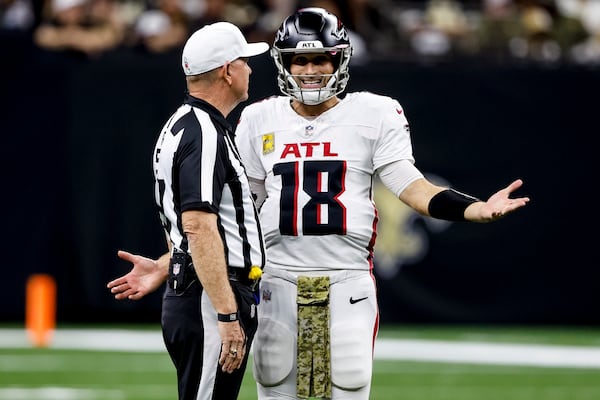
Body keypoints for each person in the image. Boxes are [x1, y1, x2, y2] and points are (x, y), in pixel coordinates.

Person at [109, 7, 530, 400]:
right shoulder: (258, 118)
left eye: (321, 60)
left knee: (348, 383)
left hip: (346, 279)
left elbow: (410, 185)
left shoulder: (375, 112)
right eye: (299, 61)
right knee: (275, 385)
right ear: (283, 64)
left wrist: (475, 208)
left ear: (339, 60)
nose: (309, 71)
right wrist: (168, 263)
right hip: (276, 279)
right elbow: (233, 215)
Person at [108, 21, 268, 400]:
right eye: (244, 60)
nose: (251, 68)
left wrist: (167, 263)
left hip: (198, 290)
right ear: (227, 71)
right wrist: (227, 315)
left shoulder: (184, 125)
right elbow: (197, 226)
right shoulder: (205, 131)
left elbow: (191, 228)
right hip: (211, 296)